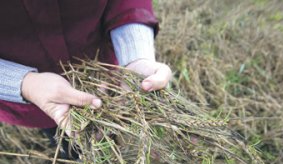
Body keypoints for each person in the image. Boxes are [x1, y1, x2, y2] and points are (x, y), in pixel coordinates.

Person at [0, 0, 172, 131]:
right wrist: (25, 84)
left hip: (100, 63)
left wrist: (136, 56)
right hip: (28, 98)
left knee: (114, 124)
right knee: (63, 132)